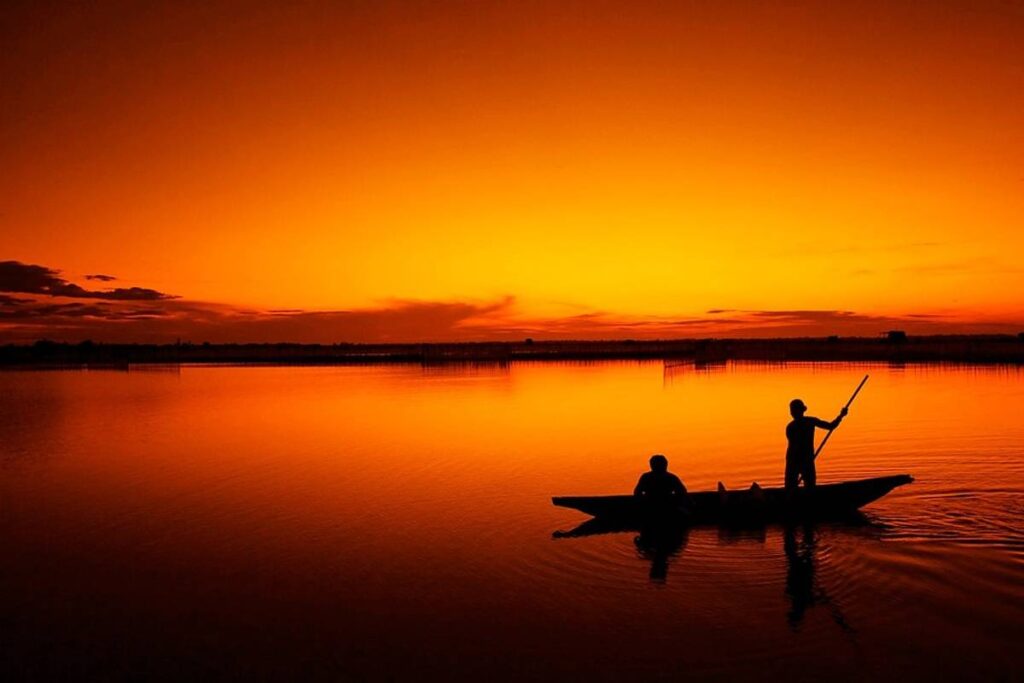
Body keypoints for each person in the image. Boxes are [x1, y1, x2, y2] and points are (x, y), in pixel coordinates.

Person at [785, 399, 847, 491]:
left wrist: (841, 416)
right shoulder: (807, 422)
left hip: (796, 459)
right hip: (802, 459)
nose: (793, 413)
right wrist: (841, 416)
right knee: (806, 487)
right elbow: (831, 426)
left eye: (793, 411)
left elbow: (830, 426)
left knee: (793, 487)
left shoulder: (791, 426)